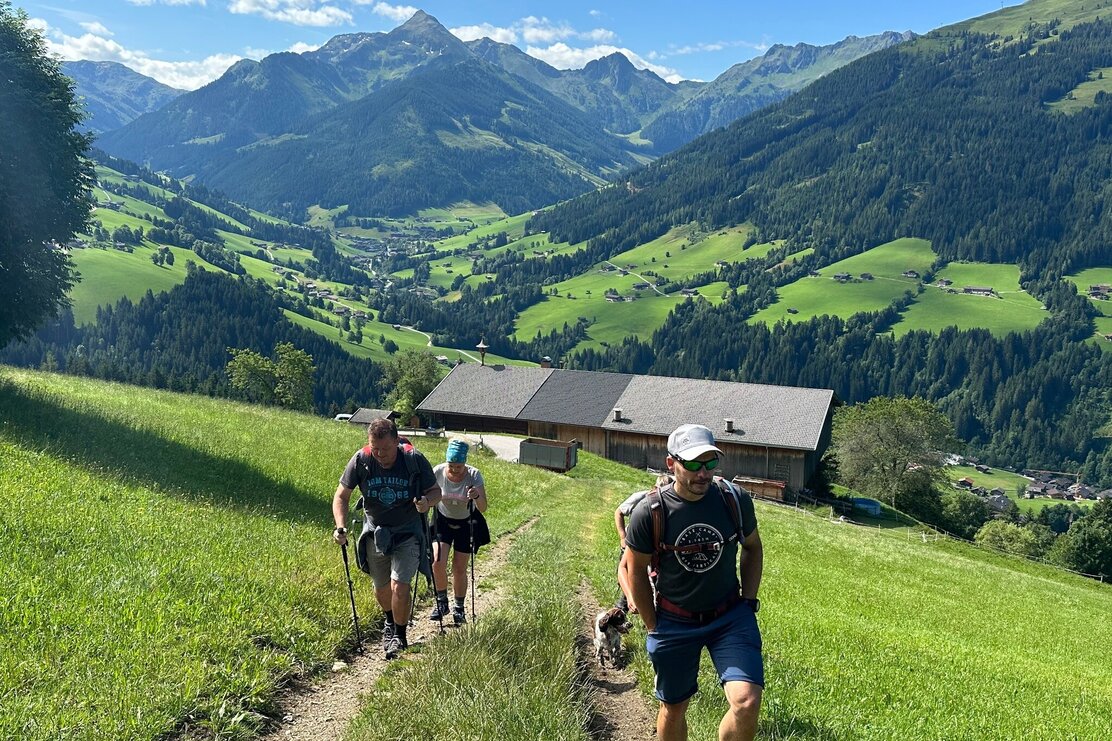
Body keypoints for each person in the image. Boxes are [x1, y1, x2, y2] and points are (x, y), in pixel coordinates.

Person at [624, 424, 764, 741]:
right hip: (674, 620)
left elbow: (753, 547)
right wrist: (652, 625)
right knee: (674, 708)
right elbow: (636, 572)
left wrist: (749, 602)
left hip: (729, 616)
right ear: (671, 463)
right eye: (693, 464)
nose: (703, 473)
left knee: (747, 702)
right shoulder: (649, 512)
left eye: (710, 463)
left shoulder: (733, 499)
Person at [333, 418, 441, 659]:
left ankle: (400, 636)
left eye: (385, 448)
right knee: (381, 589)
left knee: (400, 586)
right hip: (375, 532)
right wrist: (340, 527)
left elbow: (436, 492)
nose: (380, 454)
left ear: (396, 441)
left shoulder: (414, 459)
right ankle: (390, 622)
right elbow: (341, 496)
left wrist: (427, 503)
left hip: (408, 532)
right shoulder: (361, 460)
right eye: (375, 448)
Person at [429, 438, 489, 625]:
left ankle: (459, 608)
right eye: (452, 466)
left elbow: (484, 507)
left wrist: (476, 495)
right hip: (442, 521)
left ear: (465, 462)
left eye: (459, 466)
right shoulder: (438, 471)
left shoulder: (473, 475)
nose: (455, 470)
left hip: (466, 523)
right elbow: (430, 494)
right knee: (437, 562)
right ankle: (441, 602)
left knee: (459, 567)